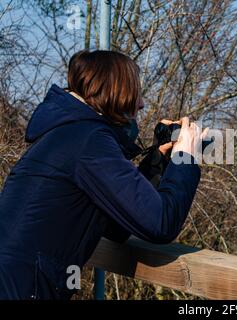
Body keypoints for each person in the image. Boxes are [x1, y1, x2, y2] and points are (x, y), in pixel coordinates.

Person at [0, 50, 206, 299]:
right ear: (115, 91)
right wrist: (186, 156)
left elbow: (115, 226)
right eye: (135, 92)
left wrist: (157, 161)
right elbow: (160, 223)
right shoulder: (89, 141)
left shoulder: (71, 134)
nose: (140, 103)